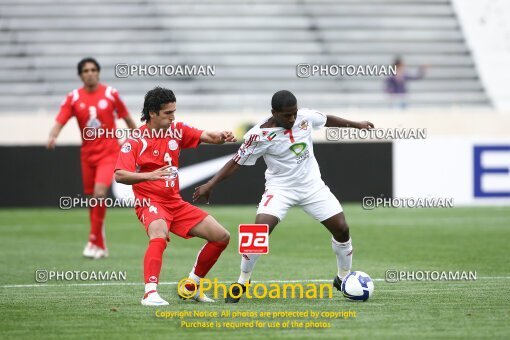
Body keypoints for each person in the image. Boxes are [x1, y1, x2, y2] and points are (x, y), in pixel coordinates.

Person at [193, 90, 374, 303]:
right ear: (274, 112)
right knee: (258, 232)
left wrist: (356, 124)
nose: (292, 119)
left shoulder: (304, 117)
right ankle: (242, 282)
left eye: (294, 114)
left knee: (342, 229)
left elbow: (327, 119)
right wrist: (210, 184)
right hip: (280, 190)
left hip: (312, 187)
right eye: (287, 115)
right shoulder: (258, 135)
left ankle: (342, 277)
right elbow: (236, 161)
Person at [115, 86, 237, 306]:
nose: (173, 117)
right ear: (152, 113)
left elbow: (207, 135)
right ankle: (150, 293)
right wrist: (150, 175)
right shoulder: (135, 140)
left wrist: (221, 137)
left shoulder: (177, 131)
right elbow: (120, 175)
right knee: (159, 234)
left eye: (174, 111)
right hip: (150, 202)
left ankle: (192, 286)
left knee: (221, 237)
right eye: (168, 113)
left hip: (175, 203)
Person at [47, 57, 137, 259]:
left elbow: (127, 117)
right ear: (80, 75)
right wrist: (53, 135)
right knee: (93, 200)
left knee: (99, 193)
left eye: (93, 69)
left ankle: (92, 240)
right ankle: (101, 245)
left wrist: (140, 137)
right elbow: (60, 120)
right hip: (87, 156)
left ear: (98, 72)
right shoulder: (73, 97)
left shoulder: (110, 94)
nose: (90, 73)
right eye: (86, 70)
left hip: (109, 152)